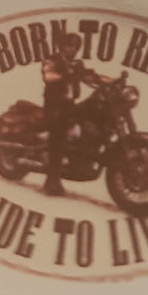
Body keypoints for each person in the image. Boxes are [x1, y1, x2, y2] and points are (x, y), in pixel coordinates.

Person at [40, 32, 105, 197]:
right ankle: (51, 181)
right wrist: (67, 75)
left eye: (75, 47)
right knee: (58, 136)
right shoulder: (52, 60)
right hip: (54, 106)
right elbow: (48, 76)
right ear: (61, 46)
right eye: (69, 46)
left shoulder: (77, 64)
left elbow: (90, 78)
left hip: (69, 105)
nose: (72, 49)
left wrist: (111, 81)